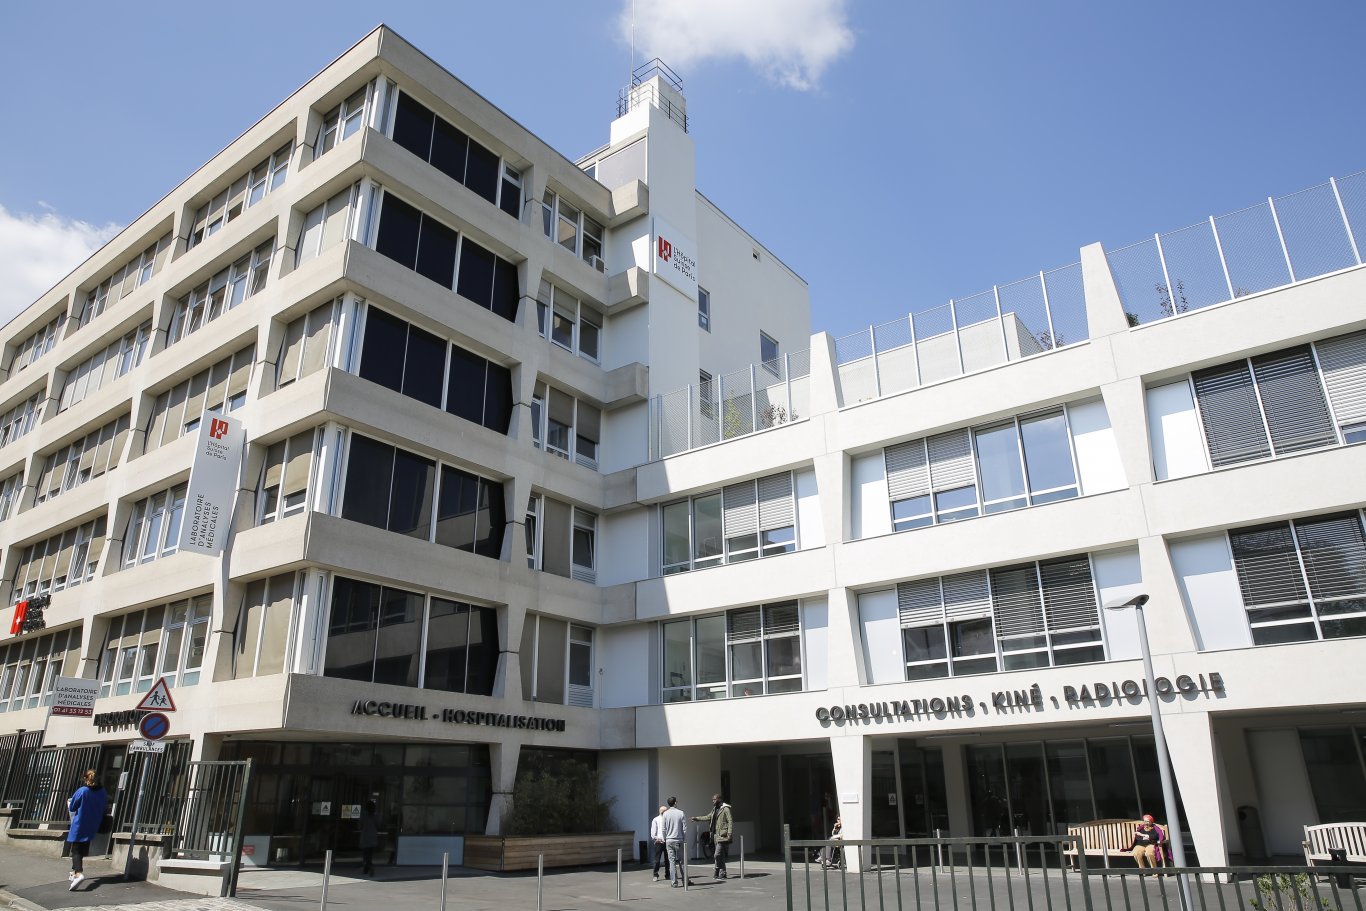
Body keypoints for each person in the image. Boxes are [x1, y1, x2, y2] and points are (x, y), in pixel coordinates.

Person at [66, 769, 108, 891]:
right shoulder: (102, 792)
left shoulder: (82, 791)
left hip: (80, 823)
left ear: (86, 779)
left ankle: (78, 873)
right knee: (83, 848)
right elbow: (105, 806)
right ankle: (74, 873)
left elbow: (73, 806)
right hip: (93, 824)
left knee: (76, 850)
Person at [691, 793, 733, 880]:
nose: (713, 801)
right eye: (712, 799)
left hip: (723, 835)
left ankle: (718, 869)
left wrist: (729, 833)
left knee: (717, 854)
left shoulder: (725, 809)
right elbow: (708, 817)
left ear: (719, 799)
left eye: (714, 799)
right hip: (714, 835)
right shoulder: (715, 809)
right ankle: (722, 872)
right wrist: (696, 818)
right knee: (720, 855)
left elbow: (730, 821)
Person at [661, 796, 687, 888]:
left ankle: (674, 882)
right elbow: (684, 828)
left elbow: (663, 829)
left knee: (671, 862)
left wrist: (665, 838)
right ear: (675, 803)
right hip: (678, 839)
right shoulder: (681, 813)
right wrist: (683, 838)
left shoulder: (665, 814)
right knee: (681, 861)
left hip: (669, 840)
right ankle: (685, 881)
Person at [650, 805, 672, 882]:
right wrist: (657, 838)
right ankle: (655, 875)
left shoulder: (669, 819)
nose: (665, 812)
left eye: (666, 811)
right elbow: (653, 833)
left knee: (667, 860)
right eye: (664, 811)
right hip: (659, 842)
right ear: (660, 811)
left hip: (667, 841)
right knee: (657, 860)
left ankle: (668, 874)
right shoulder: (656, 819)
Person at [359, 801, 379, 876]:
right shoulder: (375, 815)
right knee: (370, 855)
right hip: (373, 837)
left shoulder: (364, 815)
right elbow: (378, 825)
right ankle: (366, 870)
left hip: (365, 837)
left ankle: (370, 867)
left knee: (366, 855)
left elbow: (360, 825)